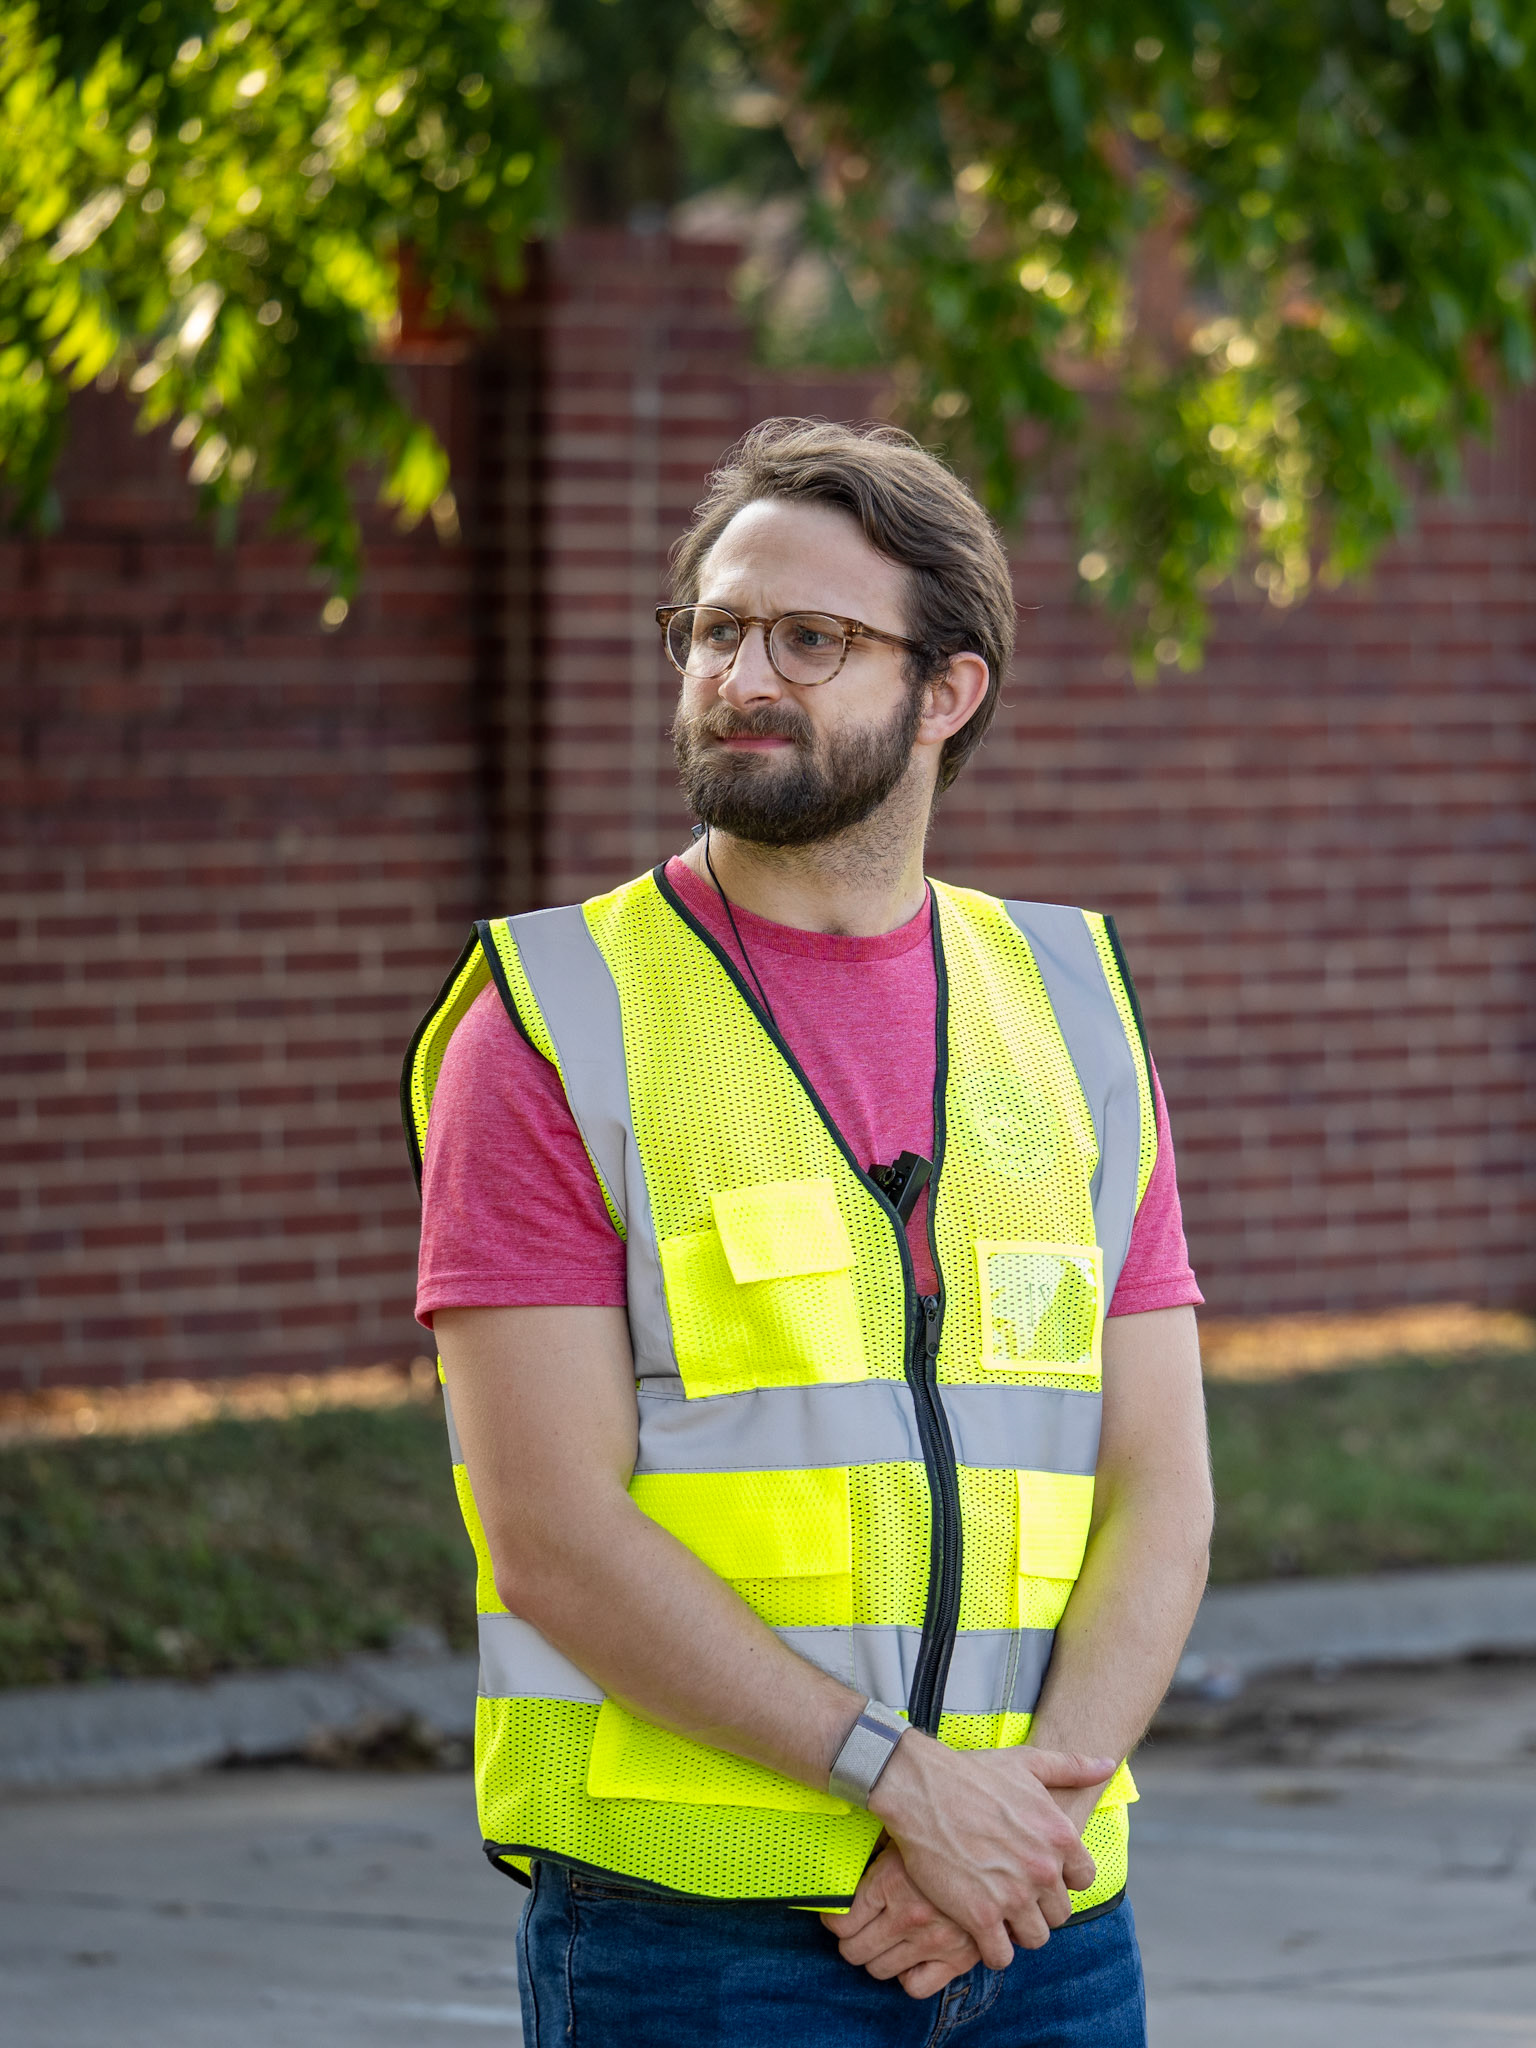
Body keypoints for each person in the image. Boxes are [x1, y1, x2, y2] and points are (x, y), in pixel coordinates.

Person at [403, 418, 1212, 2047]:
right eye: (713, 628)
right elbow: (551, 1528)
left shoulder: (1071, 1013)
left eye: (811, 638)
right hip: (702, 1943)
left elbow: (1162, 1490)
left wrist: (1014, 1828)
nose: (738, 674)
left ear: (948, 691)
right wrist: (908, 1788)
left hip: (1043, 1918)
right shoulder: (556, 1023)